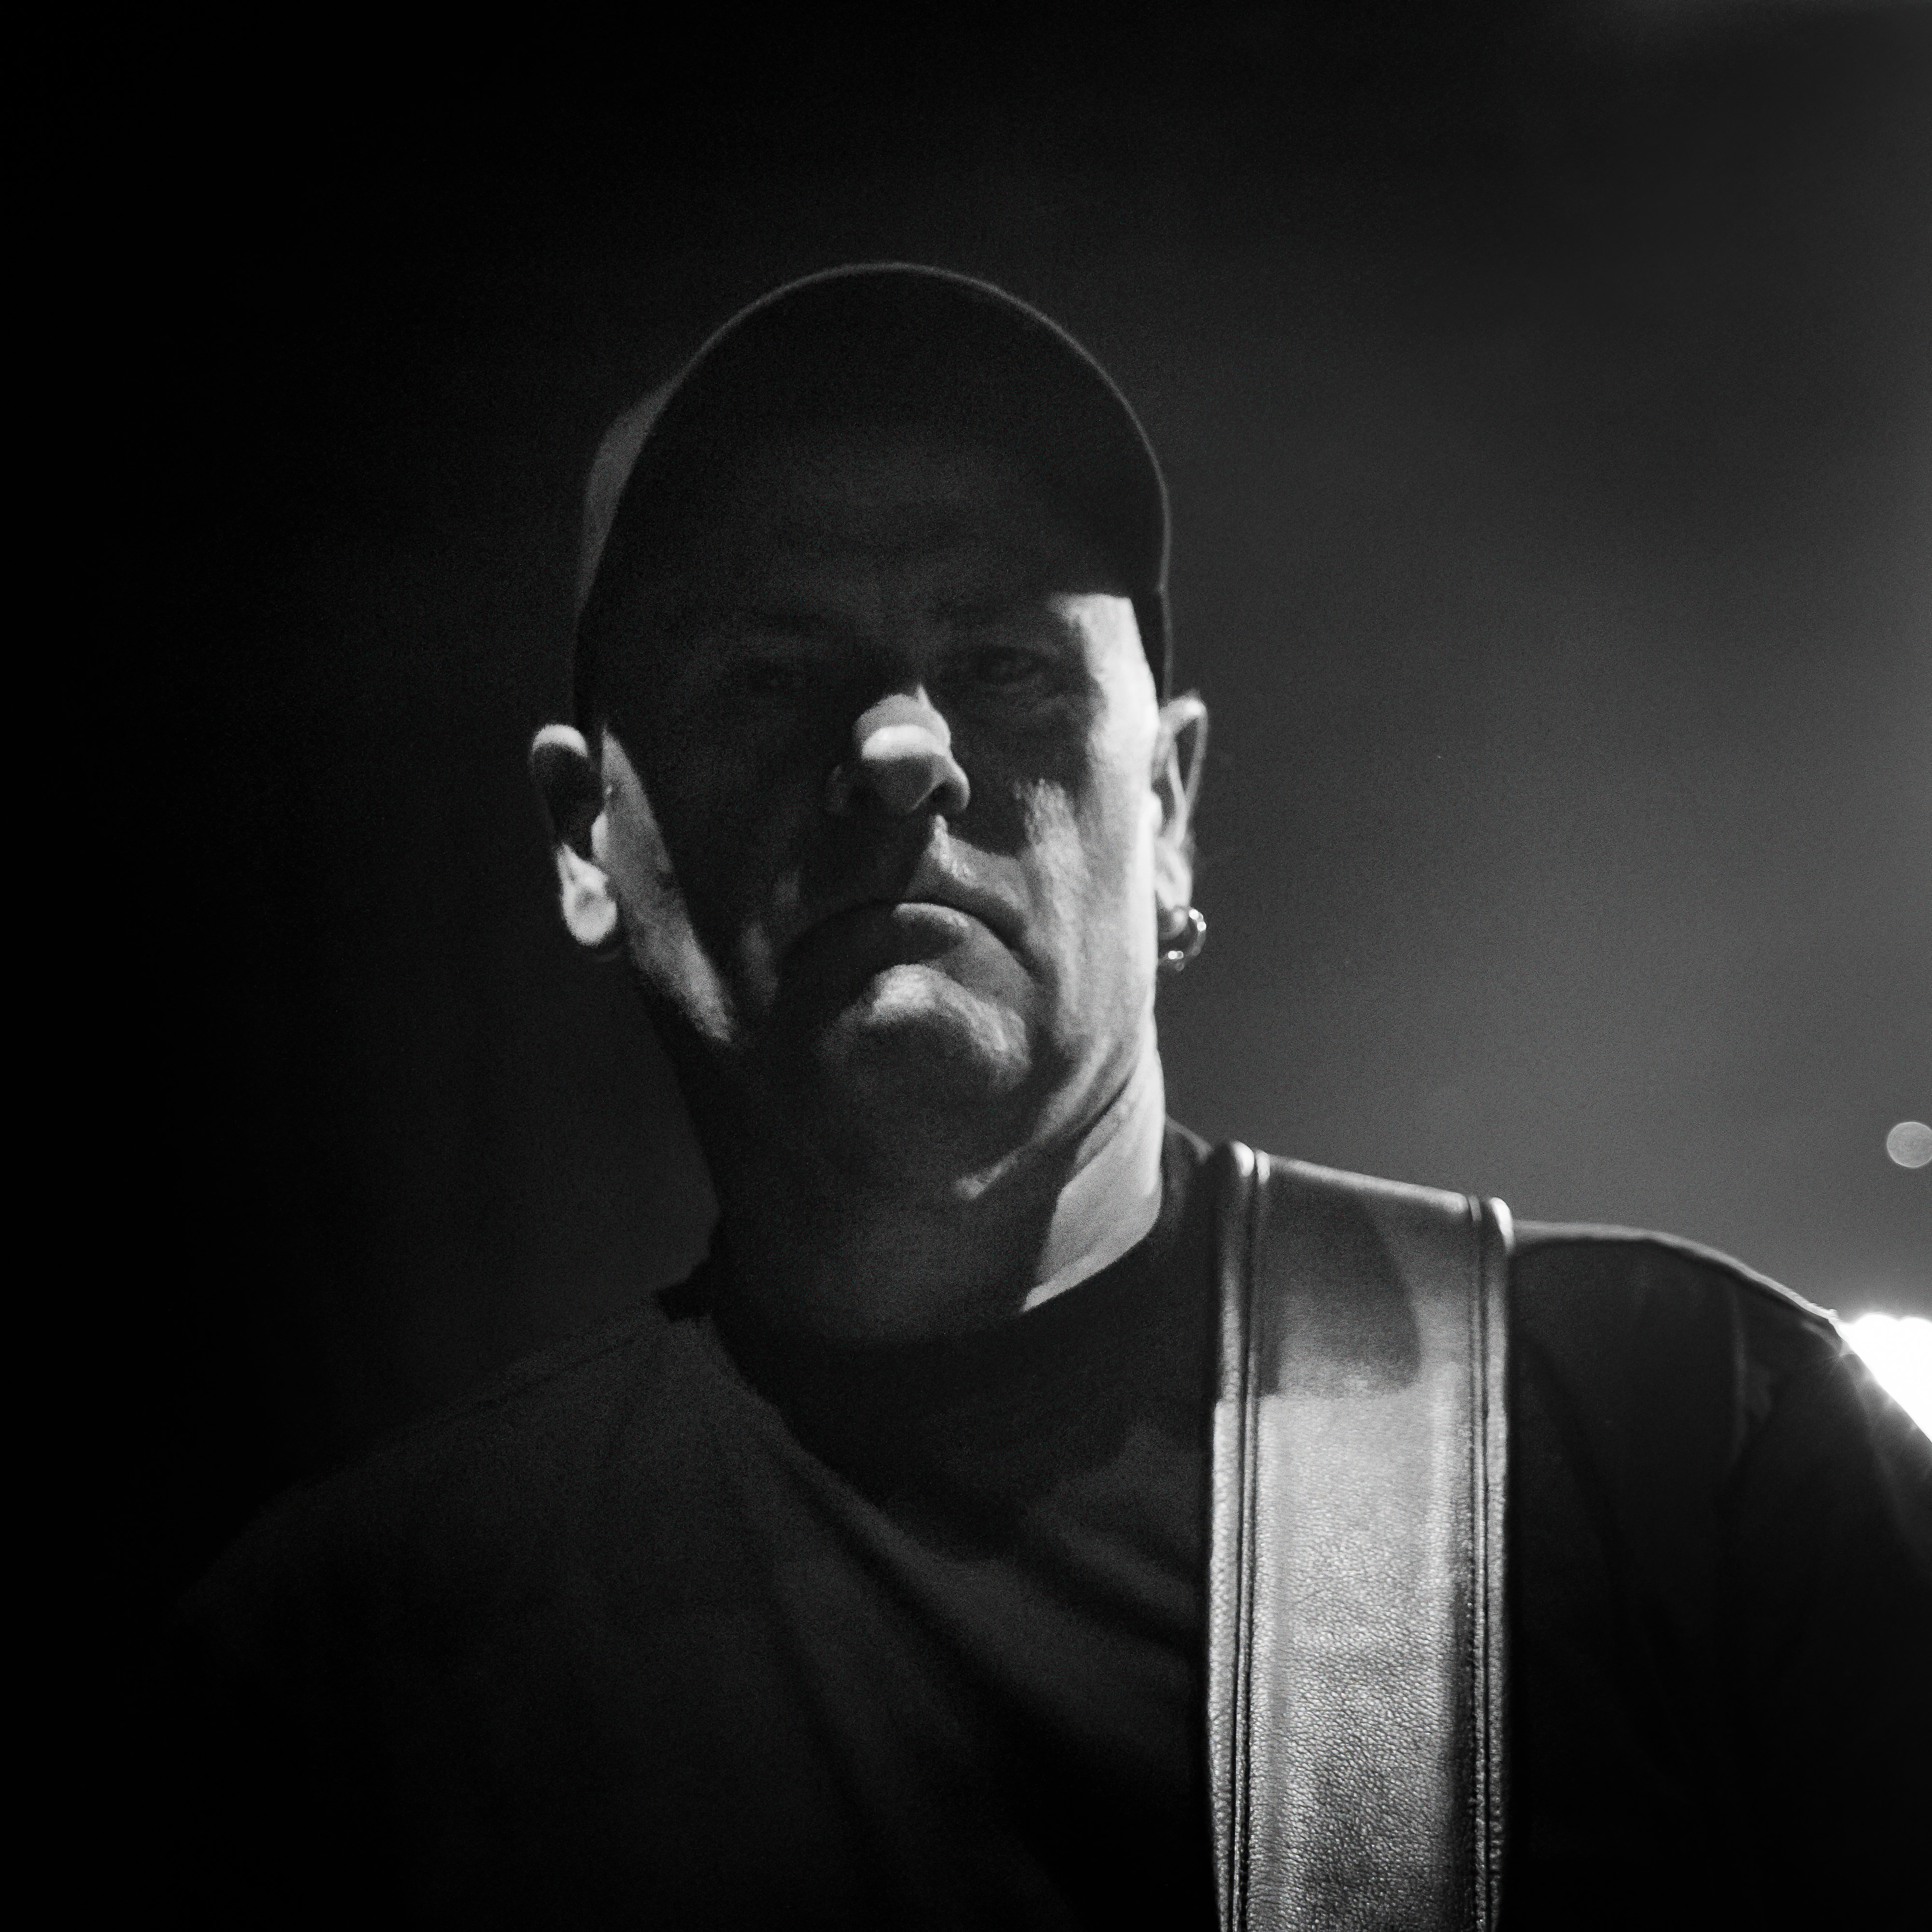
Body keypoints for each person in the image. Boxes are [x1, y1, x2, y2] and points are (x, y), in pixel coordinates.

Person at [171, 266, 1928, 1930]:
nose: (900, 751)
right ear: (586, 839)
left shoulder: (1686, 1455)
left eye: (1005, 663)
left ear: (1166, 807)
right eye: (770, 675)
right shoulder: (337, 1676)